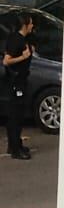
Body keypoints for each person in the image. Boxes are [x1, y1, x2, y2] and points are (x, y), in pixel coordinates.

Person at [3, 10, 34, 160]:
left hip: (19, 81)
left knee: (18, 115)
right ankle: (15, 149)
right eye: (31, 23)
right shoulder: (17, 41)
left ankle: (16, 144)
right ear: (25, 25)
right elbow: (6, 60)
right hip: (16, 83)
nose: (32, 26)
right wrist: (23, 57)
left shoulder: (20, 39)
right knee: (15, 116)